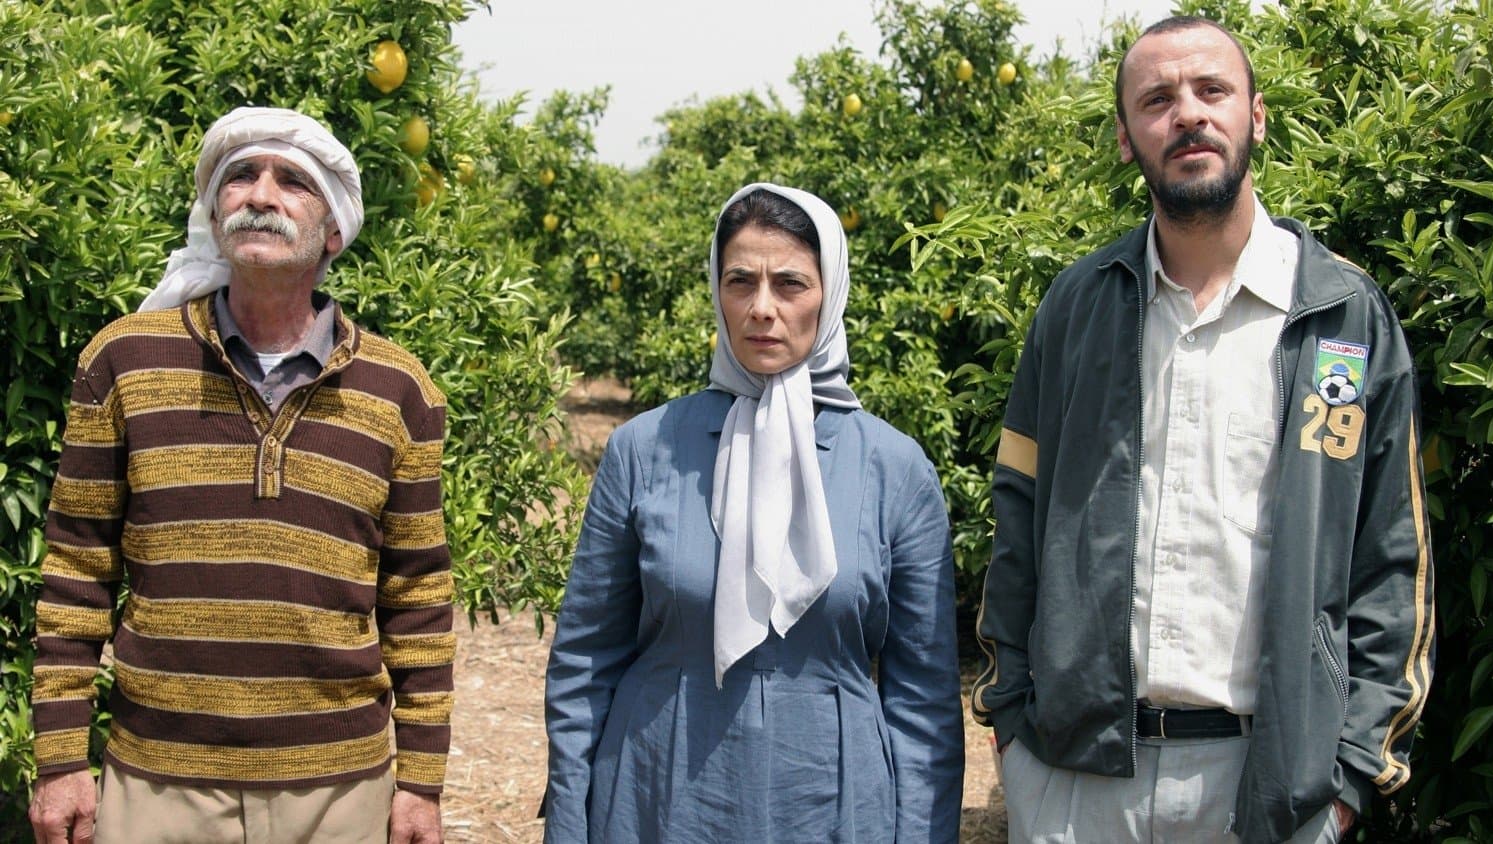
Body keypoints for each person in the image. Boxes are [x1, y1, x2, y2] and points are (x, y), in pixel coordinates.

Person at [971, 16, 1434, 844]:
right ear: (1125, 137)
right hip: (1077, 785)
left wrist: (1352, 773)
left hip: (1270, 788)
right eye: (1157, 99)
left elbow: (1389, 557)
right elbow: (1018, 516)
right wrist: (1013, 734)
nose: (1188, 114)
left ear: (1256, 116)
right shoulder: (1074, 310)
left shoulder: (1342, 319)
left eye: (1212, 90)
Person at [28, 106, 454, 844]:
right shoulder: (123, 360)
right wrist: (61, 759)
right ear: (212, 209)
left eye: (293, 181)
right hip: (158, 784)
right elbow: (75, 569)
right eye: (239, 177)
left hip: (340, 792)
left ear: (333, 231)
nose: (260, 194)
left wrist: (420, 782)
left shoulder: (400, 390)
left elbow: (417, 598)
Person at [544, 183, 963, 842]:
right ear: (717, 292)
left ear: (831, 295)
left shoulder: (893, 467)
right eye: (741, 281)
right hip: (659, 796)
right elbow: (583, 667)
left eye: (790, 284)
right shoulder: (645, 448)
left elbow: (924, 701)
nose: (762, 308)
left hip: (832, 799)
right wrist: (569, 825)